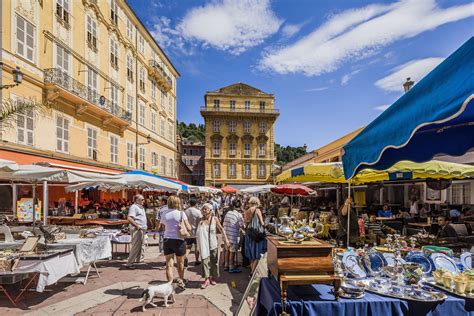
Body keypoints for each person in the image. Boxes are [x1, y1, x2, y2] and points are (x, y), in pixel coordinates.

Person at [157, 195, 191, 289]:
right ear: (178, 203)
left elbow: (161, 227)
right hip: (179, 240)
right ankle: (181, 280)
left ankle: (169, 285)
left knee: (169, 264)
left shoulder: (164, 213)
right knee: (180, 263)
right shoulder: (181, 213)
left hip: (167, 239)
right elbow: (189, 228)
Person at [196, 203, 229, 289]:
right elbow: (198, 233)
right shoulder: (200, 220)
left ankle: (212, 277)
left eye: (205, 209)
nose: (204, 210)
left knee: (214, 261)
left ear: (211, 210)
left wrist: (226, 239)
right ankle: (206, 279)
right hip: (204, 245)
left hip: (213, 243)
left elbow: (221, 229)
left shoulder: (215, 219)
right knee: (205, 261)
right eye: (203, 209)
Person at [244, 197, 267, 274]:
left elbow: (245, 223)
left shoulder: (247, 211)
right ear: (257, 203)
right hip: (257, 233)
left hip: (249, 234)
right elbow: (262, 222)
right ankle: (253, 273)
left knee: (251, 254)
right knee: (258, 253)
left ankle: (252, 270)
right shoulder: (257, 210)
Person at [125, 194, 147, 269]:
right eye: (142, 199)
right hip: (137, 229)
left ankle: (138, 260)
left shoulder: (141, 207)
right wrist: (137, 226)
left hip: (142, 229)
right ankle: (129, 263)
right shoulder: (133, 207)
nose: (144, 201)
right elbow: (129, 218)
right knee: (135, 246)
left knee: (141, 245)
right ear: (137, 200)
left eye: (143, 199)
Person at [223, 199, 244, 273]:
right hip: (233, 235)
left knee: (227, 250)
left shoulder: (228, 212)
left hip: (226, 235)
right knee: (232, 251)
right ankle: (231, 267)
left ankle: (226, 265)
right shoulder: (239, 215)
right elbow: (242, 226)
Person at [184, 198, 202, 267]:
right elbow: (201, 221)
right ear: (196, 203)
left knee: (188, 246)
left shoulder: (185, 211)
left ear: (189, 203)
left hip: (188, 231)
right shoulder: (198, 211)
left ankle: (185, 256)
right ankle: (197, 260)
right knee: (197, 246)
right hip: (196, 231)